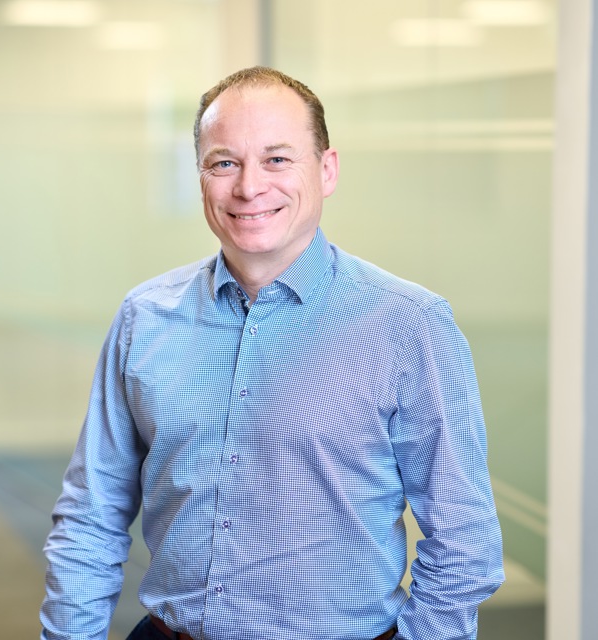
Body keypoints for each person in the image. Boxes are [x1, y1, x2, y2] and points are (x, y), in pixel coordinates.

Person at [40, 66, 504, 640]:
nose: (249, 187)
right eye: (224, 162)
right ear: (201, 176)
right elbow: (90, 517)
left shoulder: (409, 323)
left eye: (278, 159)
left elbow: (465, 546)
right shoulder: (144, 317)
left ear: (326, 170)